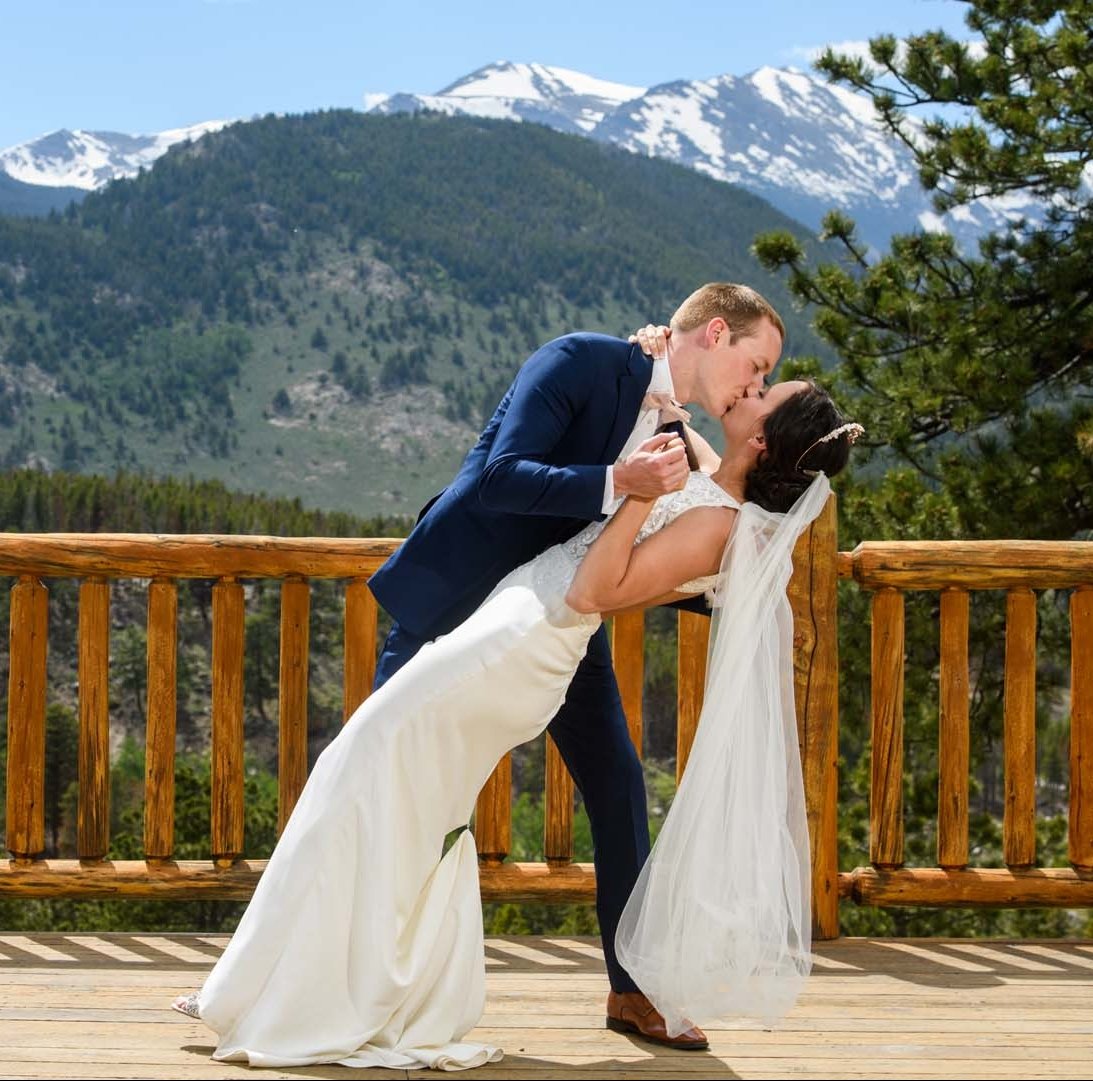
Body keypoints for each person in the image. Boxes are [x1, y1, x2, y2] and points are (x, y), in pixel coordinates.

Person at [170, 360, 858, 1070]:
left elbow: (596, 589)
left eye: (764, 394)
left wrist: (633, 495)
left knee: (364, 761)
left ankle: (313, 992)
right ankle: (309, 985)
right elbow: (690, 442)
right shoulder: (723, 488)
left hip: (521, 645)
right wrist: (661, 385)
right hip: (510, 623)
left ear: (765, 444)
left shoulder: (716, 524)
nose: (750, 388)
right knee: (391, 789)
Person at [366, 283, 785, 1051]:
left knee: (619, 785)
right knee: (372, 776)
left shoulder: (683, 432)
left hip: (560, 622)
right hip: (457, 601)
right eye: (754, 367)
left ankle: (633, 992)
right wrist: (617, 483)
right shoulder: (580, 360)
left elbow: (671, 543)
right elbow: (499, 477)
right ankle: (311, 968)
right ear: (715, 333)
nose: (753, 388)